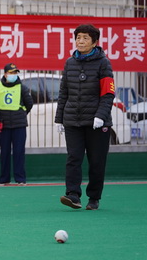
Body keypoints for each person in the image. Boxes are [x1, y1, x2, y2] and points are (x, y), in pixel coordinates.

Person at [55, 24, 115, 211]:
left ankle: (94, 198)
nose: (80, 41)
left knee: (97, 161)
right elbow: (63, 92)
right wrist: (59, 118)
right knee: (73, 158)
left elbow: (108, 93)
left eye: (85, 38)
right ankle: (72, 195)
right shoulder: (69, 63)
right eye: (78, 37)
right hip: (73, 119)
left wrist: (100, 116)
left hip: (97, 122)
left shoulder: (103, 63)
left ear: (94, 42)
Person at [0, 63, 33, 186]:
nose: (13, 75)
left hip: (19, 125)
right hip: (4, 125)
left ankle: (20, 179)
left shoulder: (22, 88)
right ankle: (4, 179)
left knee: (19, 152)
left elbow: (29, 103)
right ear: (5, 74)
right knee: (4, 152)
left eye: (15, 73)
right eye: (11, 73)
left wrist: (22, 115)